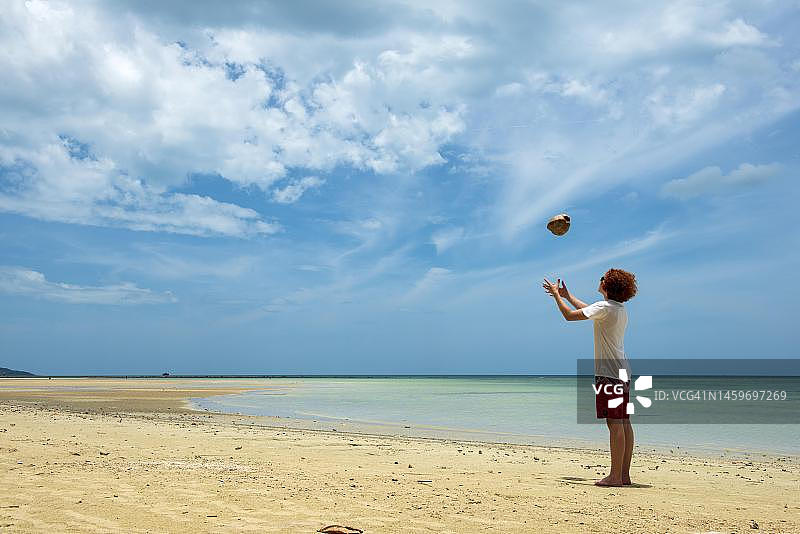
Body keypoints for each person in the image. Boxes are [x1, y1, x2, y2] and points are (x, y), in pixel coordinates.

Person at [542, 269, 638, 487]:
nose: (600, 280)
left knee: (614, 423)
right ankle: (624, 475)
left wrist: (557, 295)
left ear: (608, 285)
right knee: (624, 422)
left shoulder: (604, 307)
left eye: (603, 278)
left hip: (609, 374)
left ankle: (615, 477)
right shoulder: (618, 309)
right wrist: (568, 296)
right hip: (623, 372)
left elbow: (569, 316)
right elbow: (588, 310)